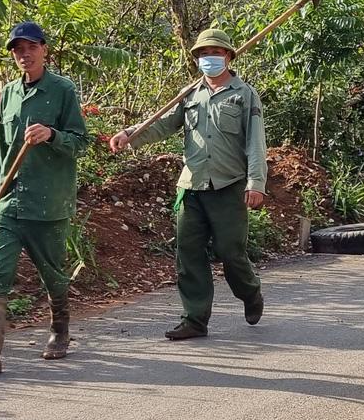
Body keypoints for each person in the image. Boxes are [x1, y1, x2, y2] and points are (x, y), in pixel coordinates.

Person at [108, 27, 266, 339]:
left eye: (216, 53)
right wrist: (130, 134)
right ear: (197, 59)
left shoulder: (243, 95)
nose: (209, 59)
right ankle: (194, 319)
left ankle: (250, 293)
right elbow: (163, 123)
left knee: (230, 251)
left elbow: (255, 143)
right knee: (188, 252)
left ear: (229, 56)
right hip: (191, 186)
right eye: (203, 54)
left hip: (229, 185)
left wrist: (256, 182)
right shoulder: (189, 94)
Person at [0, 20, 88, 378]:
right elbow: (0, 149)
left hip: (49, 203)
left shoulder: (62, 90)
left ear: (44, 49)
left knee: (53, 276)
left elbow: (80, 141)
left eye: (30, 47)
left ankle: (59, 329)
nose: (23, 54)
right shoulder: (9, 94)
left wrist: (52, 135)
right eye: (17, 49)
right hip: (9, 202)